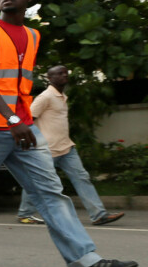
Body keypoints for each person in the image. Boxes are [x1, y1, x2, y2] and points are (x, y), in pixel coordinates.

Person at [0, 0, 138, 267]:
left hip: (22, 128)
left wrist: (19, 122)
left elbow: (17, 85)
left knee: (51, 193)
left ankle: (84, 261)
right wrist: (11, 120)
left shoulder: (33, 36)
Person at [16, 65, 124, 226]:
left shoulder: (61, 96)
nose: (64, 75)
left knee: (82, 178)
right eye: (59, 73)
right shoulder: (45, 97)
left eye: (65, 73)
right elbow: (28, 118)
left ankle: (98, 215)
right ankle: (25, 213)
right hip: (47, 149)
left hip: (66, 148)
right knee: (36, 181)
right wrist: (31, 142)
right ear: (50, 78)